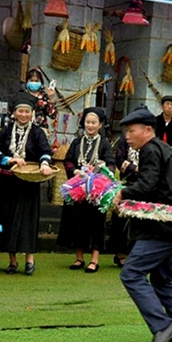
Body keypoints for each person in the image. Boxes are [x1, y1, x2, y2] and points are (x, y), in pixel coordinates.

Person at [112, 107, 172, 342]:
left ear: (148, 130)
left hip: (164, 229)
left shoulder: (150, 150)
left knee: (131, 273)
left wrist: (122, 193)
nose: (127, 136)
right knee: (161, 280)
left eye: (131, 130)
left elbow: (147, 185)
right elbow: (153, 183)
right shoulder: (161, 149)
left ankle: (162, 326)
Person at [0, 93, 54, 275]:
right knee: (7, 219)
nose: (24, 115)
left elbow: (45, 151)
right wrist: (8, 160)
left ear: (32, 113)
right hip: (7, 182)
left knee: (27, 220)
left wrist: (45, 163)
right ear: (14, 113)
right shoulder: (6, 131)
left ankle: (29, 258)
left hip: (28, 182)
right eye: (20, 111)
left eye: (27, 111)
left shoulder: (37, 132)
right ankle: (12, 260)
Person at [57, 107, 115, 272]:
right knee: (77, 222)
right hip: (78, 189)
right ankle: (79, 257)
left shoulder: (104, 144)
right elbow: (67, 160)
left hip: (95, 191)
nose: (90, 126)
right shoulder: (77, 142)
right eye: (87, 122)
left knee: (96, 223)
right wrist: (75, 170)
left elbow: (111, 163)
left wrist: (98, 169)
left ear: (100, 125)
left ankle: (94, 259)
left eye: (93, 123)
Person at [109, 134, 140, 268]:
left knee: (140, 221)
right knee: (121, 220)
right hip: (127, 183)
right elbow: (120, 159)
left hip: (145, 185)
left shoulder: (149, 142)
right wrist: (135, 168)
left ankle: (137, 255)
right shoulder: (124, 140)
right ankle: (120, 253)